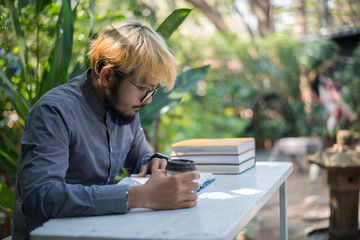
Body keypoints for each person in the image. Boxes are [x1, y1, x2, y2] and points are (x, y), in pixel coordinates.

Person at [12, 20, 200, 240]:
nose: (148, 100)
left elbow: (141, 157)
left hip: (99, 232)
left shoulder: (125, 106)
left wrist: (153, 161)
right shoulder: (55, 112)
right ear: (107, 76)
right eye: (143, 89)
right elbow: (39, 197)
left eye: (153, 90)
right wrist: (137, 196)